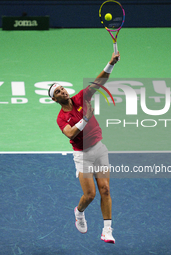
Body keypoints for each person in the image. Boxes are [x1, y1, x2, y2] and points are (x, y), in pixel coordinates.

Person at [48, 52, 120, 244]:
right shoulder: (61, 118)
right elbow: (71, 133)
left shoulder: (81, 97)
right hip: (82, 155)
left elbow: (99, 82)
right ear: (55, 100)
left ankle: (107, 230)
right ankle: (79, 212)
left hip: (99, 148)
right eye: (57, 92)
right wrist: (86, 118)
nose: (62, 92)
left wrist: (110, 64)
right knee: (90, 195)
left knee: (105, 189)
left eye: (62, 89)